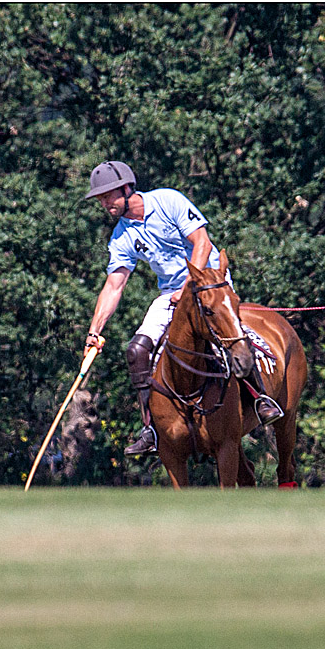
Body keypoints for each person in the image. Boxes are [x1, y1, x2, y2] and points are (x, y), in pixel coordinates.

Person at [82, 160, 283, 456]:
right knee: (137, 350)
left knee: (232, 338)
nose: (104, 202)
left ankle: (260, 398)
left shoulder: (168, 200)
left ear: (127, 188)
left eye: (108, 195)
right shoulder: (121, 236)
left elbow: (201, 243)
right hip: (171, 294)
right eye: (100, 198)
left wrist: (190, 286)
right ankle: (150, 428)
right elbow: (114, 285)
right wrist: (94, 330)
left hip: (210, 281)